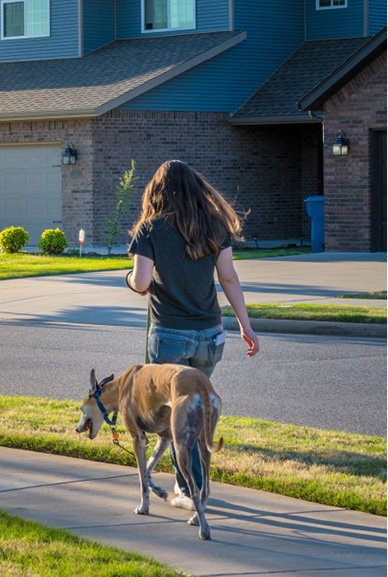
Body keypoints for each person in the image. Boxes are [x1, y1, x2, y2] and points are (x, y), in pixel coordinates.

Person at [124, 159, 260, 510]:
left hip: (169, 335)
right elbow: (228, 278)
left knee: (175, 418)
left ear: (156, 191)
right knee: (192, 414)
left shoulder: (149, 229)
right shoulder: (214, 225)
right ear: (197, 188)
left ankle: (190, 488)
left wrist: (129, 279)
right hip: (211, 338)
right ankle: (191, 483)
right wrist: (246, 326)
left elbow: (140, 282)